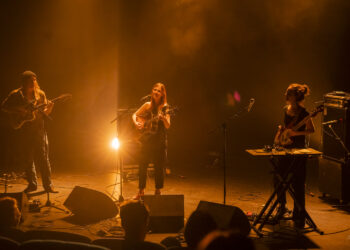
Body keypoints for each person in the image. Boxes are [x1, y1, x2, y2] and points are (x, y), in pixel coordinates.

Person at [1, 71, 57, 193]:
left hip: (38, 130)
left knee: (43, 158)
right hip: (24, 130)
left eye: (34, 80)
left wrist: (49, 109)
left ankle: (48, 185)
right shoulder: (16, 95)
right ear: (23, 82)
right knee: (27, 158)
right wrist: (20, 110)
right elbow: (4, 107)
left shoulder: (40, 95)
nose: (33, 83)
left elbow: (44, 113)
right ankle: (32, 184)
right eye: (29, 81)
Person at [273, 83, 315, 228]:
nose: (286, 96)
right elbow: (285, 127)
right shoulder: (286, 110)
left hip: (298, 150)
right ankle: (282, 205)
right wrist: (281, 131)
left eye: (288, 94)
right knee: (278, 177)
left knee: (298, 183)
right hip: (285, 148)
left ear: (295, 97)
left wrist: (296, 133)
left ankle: (299, 215)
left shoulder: (305, 113)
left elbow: (311, 130)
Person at [132, 83, 170, 198]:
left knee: (159, 167)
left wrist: (163, 118)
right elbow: (134, 114)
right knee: (142, 165)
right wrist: (136, 123)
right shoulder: (147, 104)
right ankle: (141, 191)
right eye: (154, 90)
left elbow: (168, 125)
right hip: (147, 140)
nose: (156, 92)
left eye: (159, 91)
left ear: (162, 93)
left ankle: (158, 191)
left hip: (159, 141)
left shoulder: (165, 107)